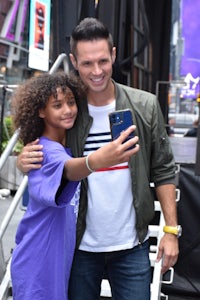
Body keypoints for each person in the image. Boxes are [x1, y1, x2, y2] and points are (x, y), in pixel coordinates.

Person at [17, 18, 180, 300]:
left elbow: (163, 170)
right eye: (87, 63)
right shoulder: (69, 109)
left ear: (114, 55)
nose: (96, 71)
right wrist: (23, 159)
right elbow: (48, 150)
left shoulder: (145, 105)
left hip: (131, 245)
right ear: (73, 61)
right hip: (80, 246)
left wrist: (170, 231)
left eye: (103, 61)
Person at [11, 71, 139, 300]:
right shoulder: (43, 151)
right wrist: (99, 160)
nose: (68, 110)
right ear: (41, 111)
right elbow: (69, 169)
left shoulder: (61, 147)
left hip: (56, 257)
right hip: (39, 259)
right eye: (57, 105)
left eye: (71, 102)